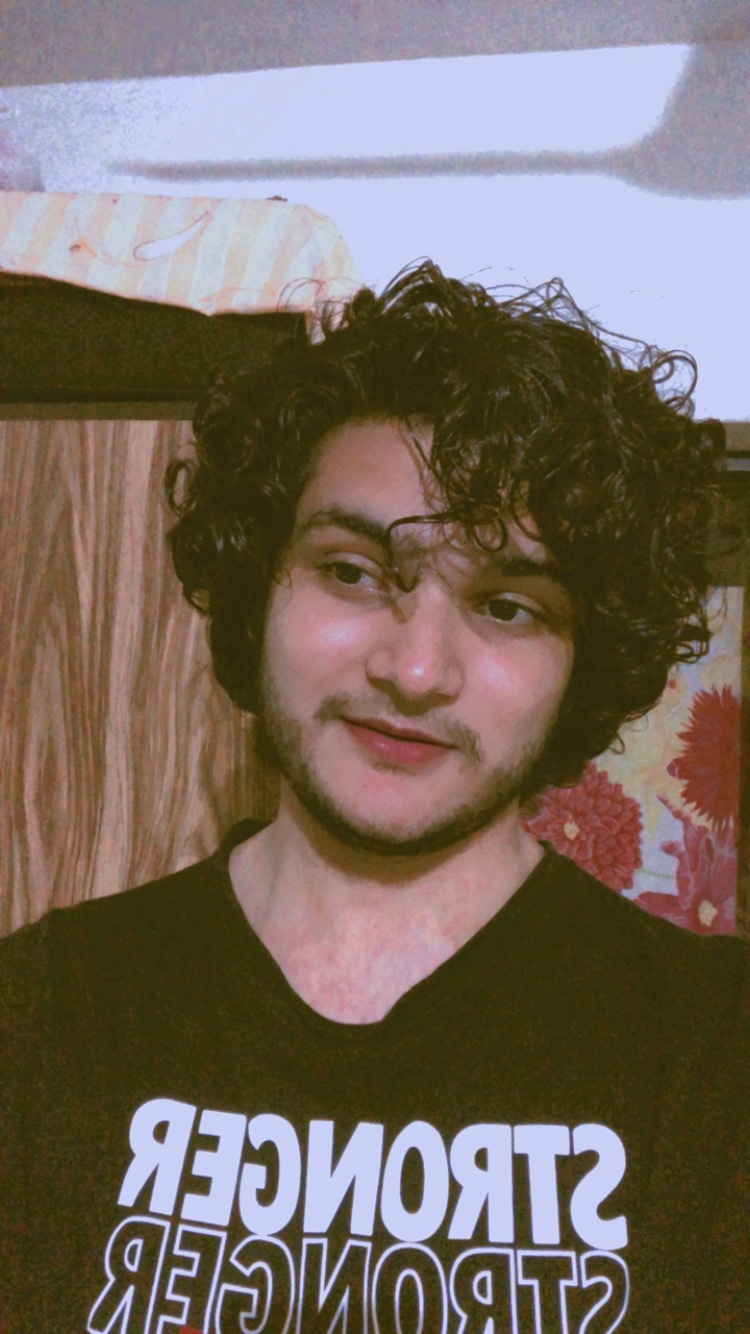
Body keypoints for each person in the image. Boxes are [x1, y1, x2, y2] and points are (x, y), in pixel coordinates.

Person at [1, 262, 746, 1332]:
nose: (415, 669)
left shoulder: (718, 1060)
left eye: (507, 603)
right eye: (353, 571)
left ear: (583, 659)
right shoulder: (39, 1019)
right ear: (259, 585)